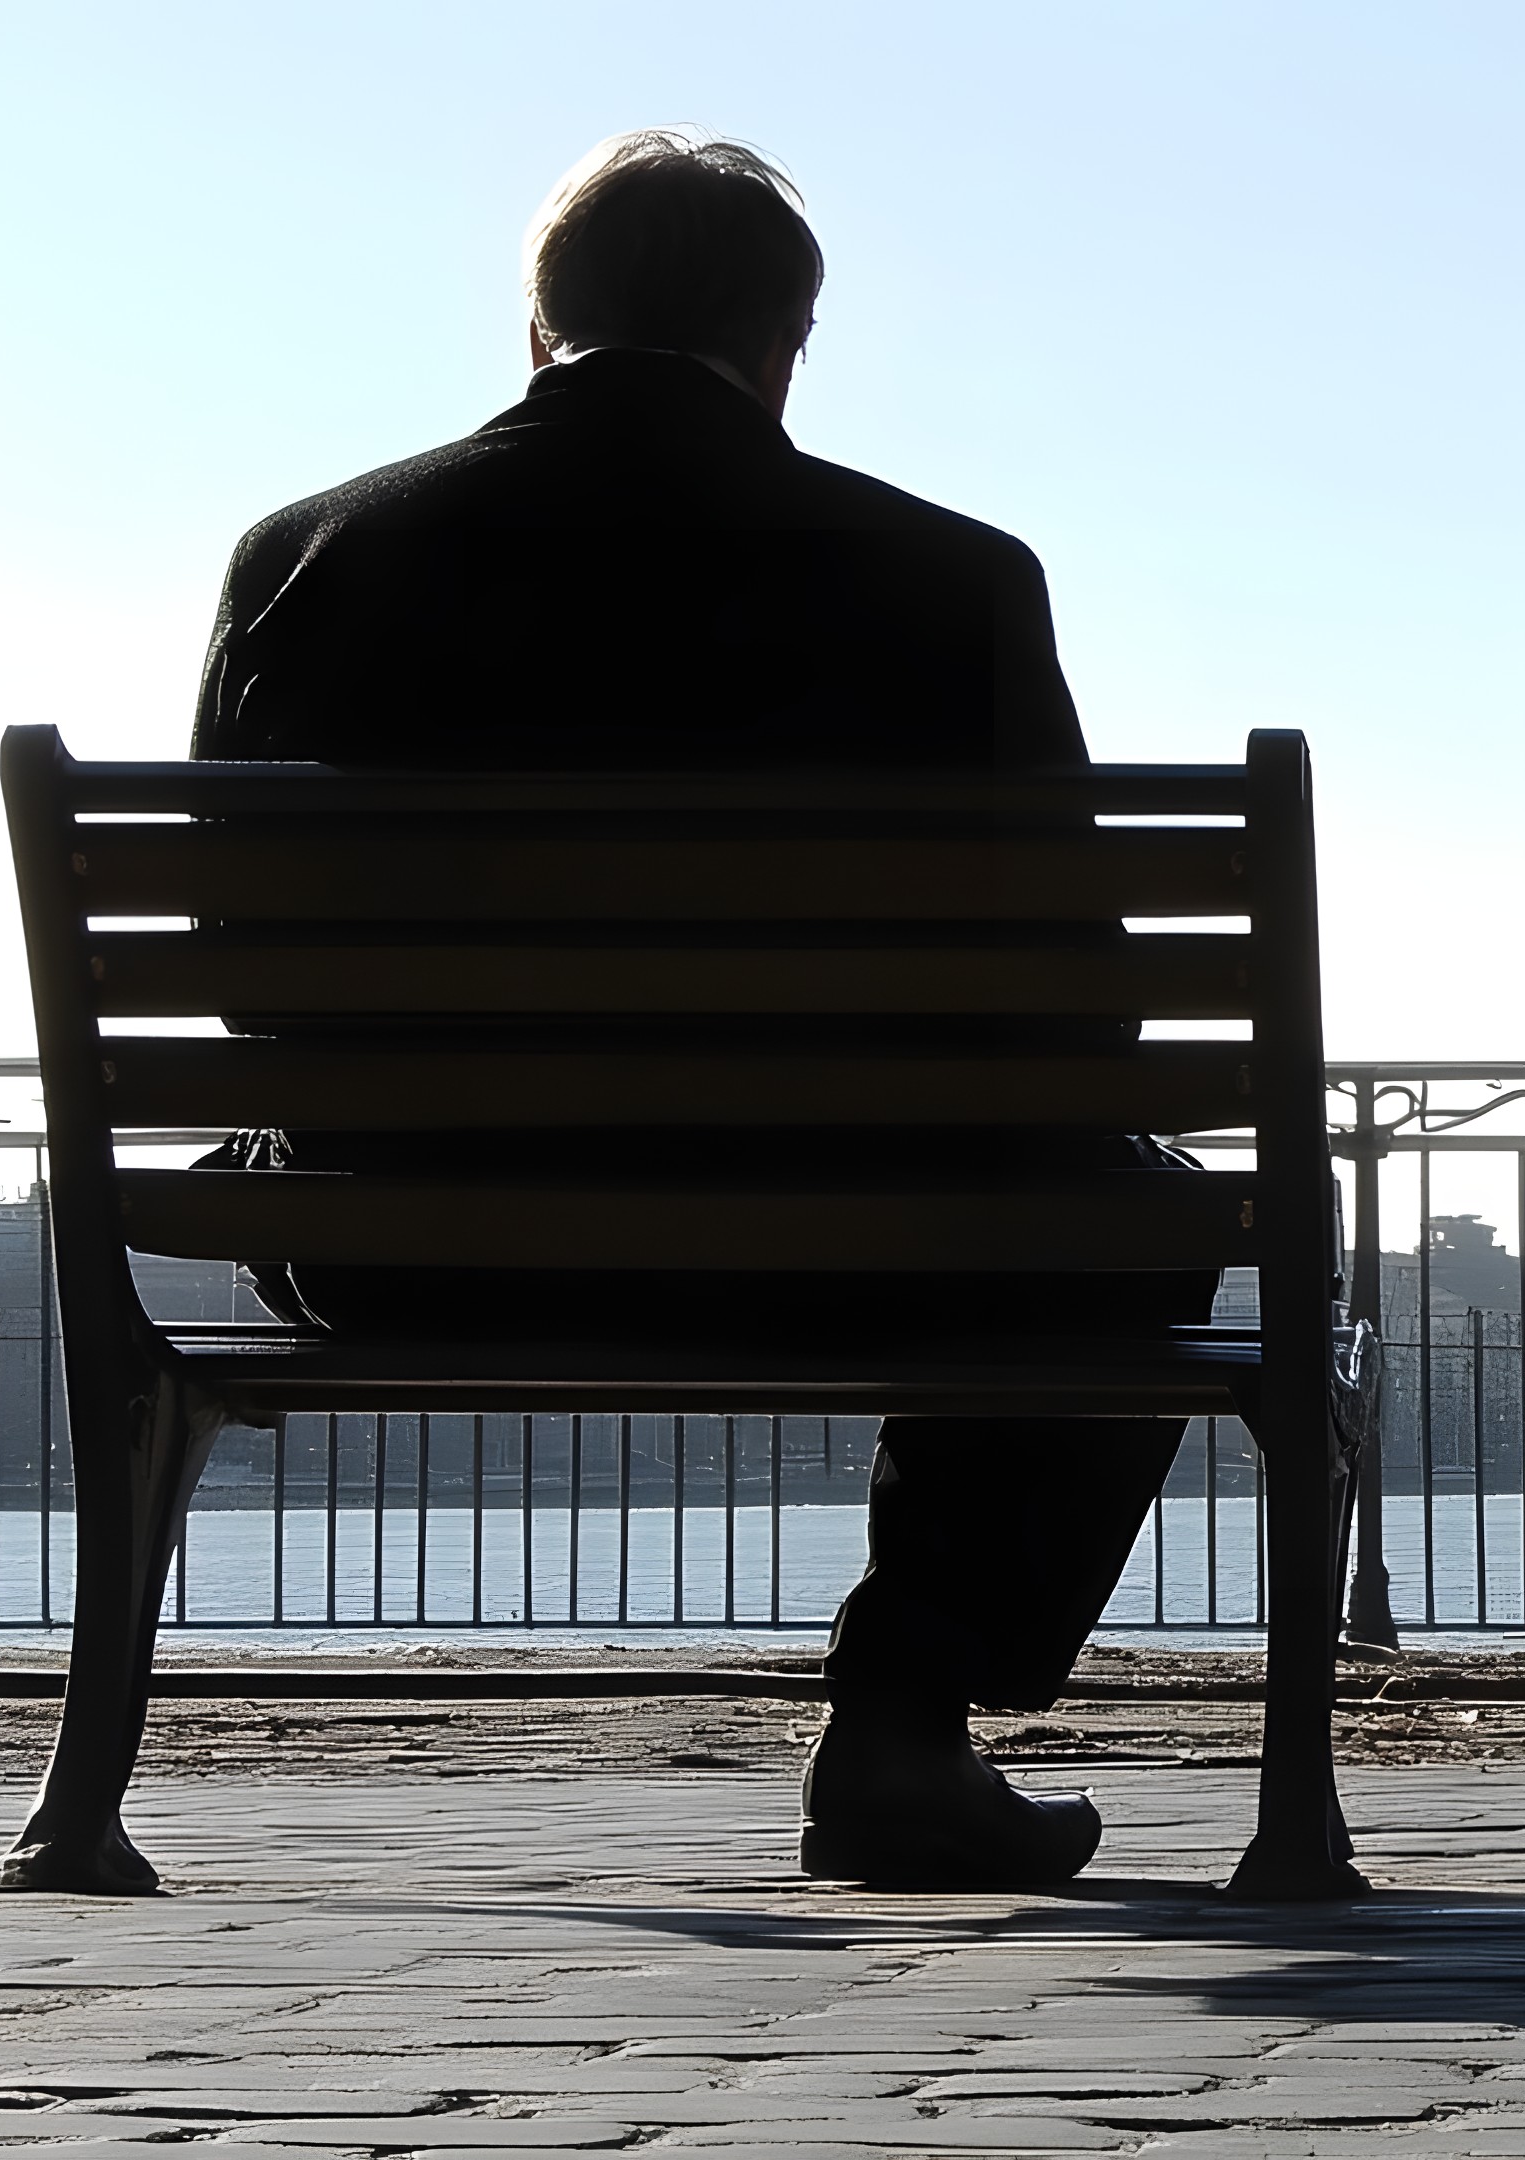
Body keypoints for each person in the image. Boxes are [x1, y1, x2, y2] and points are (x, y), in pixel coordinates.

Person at [189, 130, 1198, 1888]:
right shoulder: (955, 579)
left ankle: (89, 1791)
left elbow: (227, 965)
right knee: (1136, 1211)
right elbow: (1083, 1002)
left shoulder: (312, 553)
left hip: (403, 1241)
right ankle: (901, 1725)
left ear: (536, 328)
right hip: (870, 1242)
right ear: (786, 342)